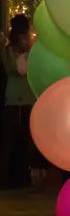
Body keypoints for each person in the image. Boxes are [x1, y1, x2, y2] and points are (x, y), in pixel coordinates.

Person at [0, 14, 34, 189]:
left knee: (24, 138)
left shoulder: (29, 50)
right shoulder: (9, 50)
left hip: (26, 96)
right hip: (13, 97)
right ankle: (7, 177)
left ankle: (22, 176)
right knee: (10, 138)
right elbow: (15, 69)